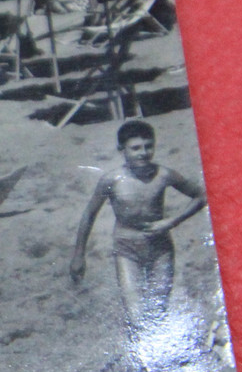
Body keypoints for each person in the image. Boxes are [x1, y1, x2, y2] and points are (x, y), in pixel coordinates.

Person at [70, 120, 207, 333]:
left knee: (158, 310)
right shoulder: (112, 180)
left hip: (161, 249)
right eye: (135, 148)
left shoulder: (164, 175)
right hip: (126, 250)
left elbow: (202, 195)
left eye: (148, 146)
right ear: (121, 150)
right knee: (134, 313)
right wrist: (79, 255)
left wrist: (172, 221)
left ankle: (155, 361)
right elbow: (89, 215)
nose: (143, 153)